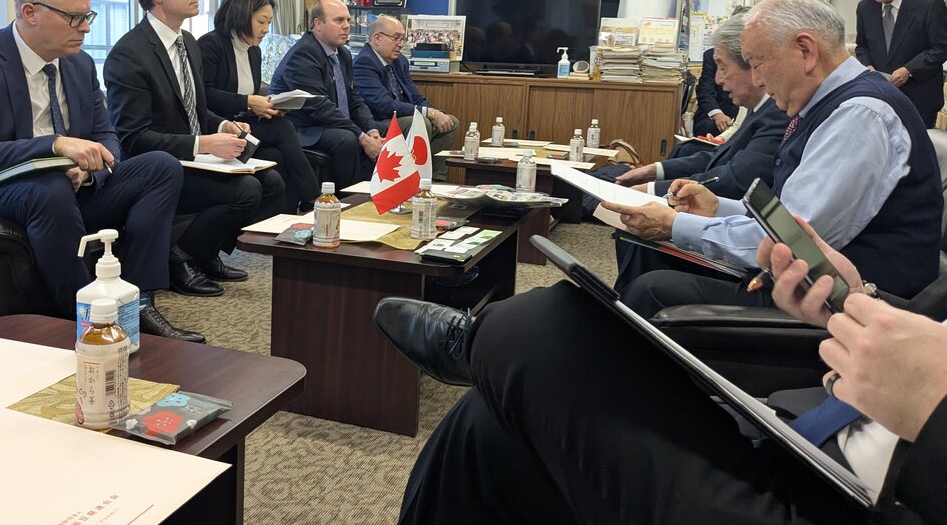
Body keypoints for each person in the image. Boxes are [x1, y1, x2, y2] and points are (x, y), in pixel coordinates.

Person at [371, 218, 947, 524]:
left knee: (544, 328)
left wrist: (931, 401)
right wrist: (857, 302)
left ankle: (476, 344)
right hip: (814, 445)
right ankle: (483, 353)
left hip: (863, 499)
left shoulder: (865, 111)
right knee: (489, 425)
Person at [0, 0, 200, 342]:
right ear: (30, 12)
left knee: (160, 166)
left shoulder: (79, 65)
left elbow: (107, 137)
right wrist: (54, 147)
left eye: (87, 16)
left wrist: (90, 169)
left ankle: (139, 301)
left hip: (70, 186)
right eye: (74, 18)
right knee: (49, 186)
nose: (86, 28)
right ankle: (85, 322)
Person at [604, 0, 941, 313]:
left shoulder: (859, 116)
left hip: (857, 302)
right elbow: (790, 218)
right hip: (812, 279)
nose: (757, 80)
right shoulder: (834, 106)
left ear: (806, 51)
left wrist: (677, 225)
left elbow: (793, 241)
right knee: (651, 252)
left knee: (653, 291)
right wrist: (717, 207)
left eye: (757, 62)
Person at [104, 0, 285, 298]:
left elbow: (195, 112)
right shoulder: (130, 55)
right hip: (160, 167)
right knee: (246, 190)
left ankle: (203, 253)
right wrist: (204, 143)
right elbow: (134, 139)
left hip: (193, 157)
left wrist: (222, 126)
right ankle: (178, 259)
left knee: (273, 183)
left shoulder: (187, 42)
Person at [588, 11, 787, 203]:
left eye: (723, 67)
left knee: (595, 196)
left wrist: (651, 190)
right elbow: (719, 157)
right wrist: (654, 170)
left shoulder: (776, 115)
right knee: (601, 186)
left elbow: (735, 180)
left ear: (752, 66)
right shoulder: (761, 109)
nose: (719, 79)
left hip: (720, 212)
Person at [199, 0, 320, 212]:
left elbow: (248, 96)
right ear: (241, 16)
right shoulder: (211, 45)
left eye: (269, 22)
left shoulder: (254, 50)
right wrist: (248, 102)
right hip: (217, 126)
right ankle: (313, 199)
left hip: (244, 123)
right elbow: (204, 95)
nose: (266, 29)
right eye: (261, 22)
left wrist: (267, 106)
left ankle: (284, 220)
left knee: (276, 155)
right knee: (283, 128)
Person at [268, 0, 385, 189]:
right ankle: (346, 198)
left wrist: (371, 131)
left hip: (331, 122)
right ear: (318, 24)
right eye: (339, 20)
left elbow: (354, 99)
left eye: (348, 20)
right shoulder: (303, 54)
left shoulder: (343, 54)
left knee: (385, 130)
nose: (346, 26)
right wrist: (361, 136)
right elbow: (320, 108)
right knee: (347, 139)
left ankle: (372, 192)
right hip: (305, 128)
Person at [352, 14, 461, 181]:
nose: (401, 44)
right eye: (396, 38)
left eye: (403, 39)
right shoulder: (364, 62)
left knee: (450, 123)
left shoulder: (400, 61)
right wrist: (428, 113)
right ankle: (410, 180)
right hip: (379, 121)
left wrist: (437, 113)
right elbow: (384, 105)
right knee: (419, 121)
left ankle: (433, 179)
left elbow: (415, 97)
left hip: (403, 116)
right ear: (377, 38)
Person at [854, 0, 947, 128]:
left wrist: (909, 70)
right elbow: (862, 46)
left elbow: (941, 48)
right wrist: (868, 66)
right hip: (879, 97)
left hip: (918, 99)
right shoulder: (865, 7)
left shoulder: (929, 3)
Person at [692, 43, 739, 137]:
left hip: (740, 113)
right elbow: (705, 91)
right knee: (707, 127)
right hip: (716, 110)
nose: (719, 80)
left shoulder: (749, 56)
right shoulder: (711, 55)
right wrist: (717, 114)